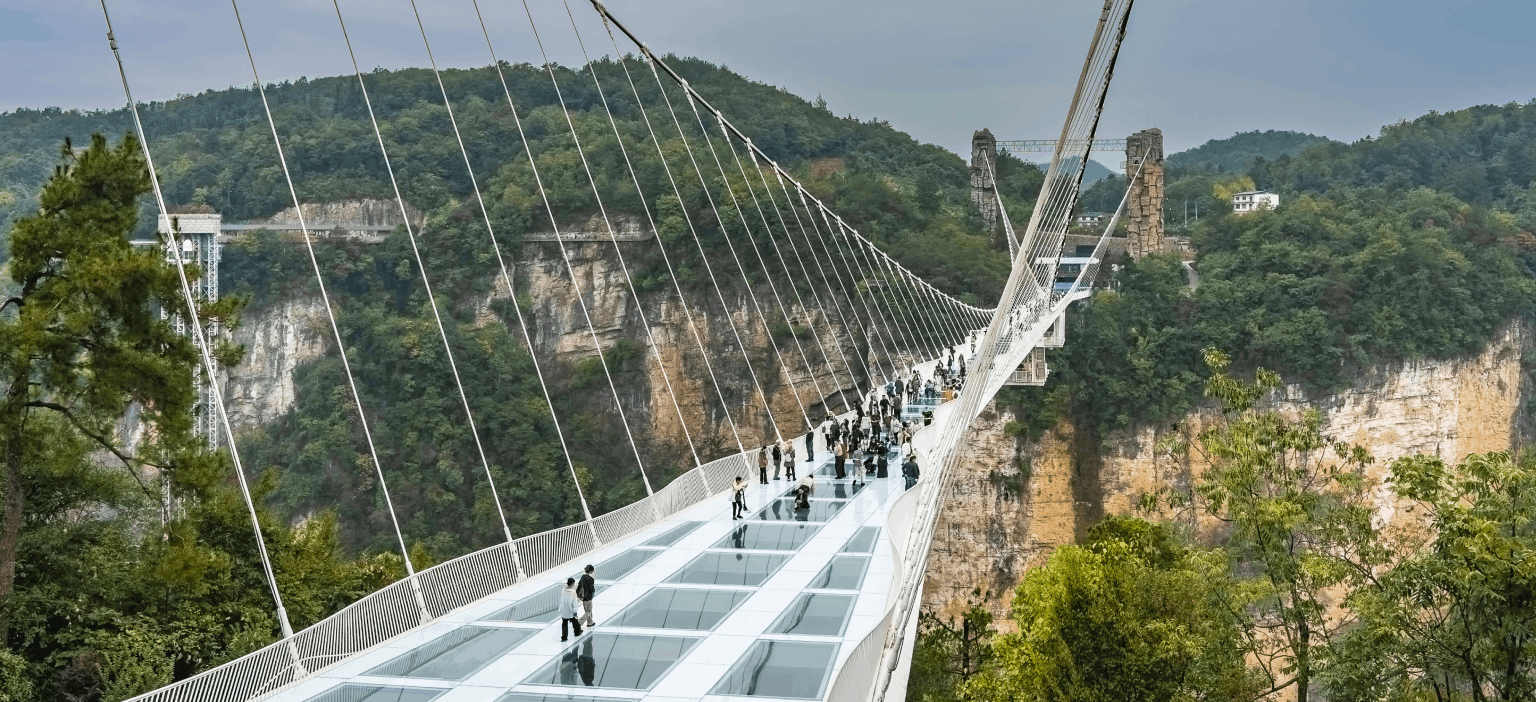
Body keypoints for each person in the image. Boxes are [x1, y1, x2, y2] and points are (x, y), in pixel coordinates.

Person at [559, 577, 583, 641]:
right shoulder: (573, 592)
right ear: (572, 584)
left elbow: (561, 600)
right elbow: (574, 602)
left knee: (564, 623)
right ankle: (577, 632)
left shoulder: (563, 590)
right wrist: (575, 610)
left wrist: (560, 609)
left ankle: (564, 637)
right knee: (575, 621)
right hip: (570, 610)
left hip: (564, 609)